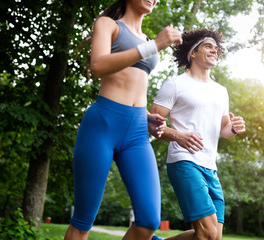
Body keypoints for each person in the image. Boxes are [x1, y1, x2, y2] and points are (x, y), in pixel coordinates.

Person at [64, 0, 182, 239]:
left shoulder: (148, 39)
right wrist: (156, 45)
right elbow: (97, 65)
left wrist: (146, 116)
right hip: (102, 125)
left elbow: (135, 82)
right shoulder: (108, 25)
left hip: (137, 130)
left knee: (149, 220)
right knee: (83, 221)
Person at [149, 28, 246, 240]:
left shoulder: (221, 91)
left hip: (210, 166)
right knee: (208, 232)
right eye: (208, 46)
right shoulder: (175, 85)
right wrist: (178, 136)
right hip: (184, 162)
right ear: (193, 53)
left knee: (215, 236)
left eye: (216, 48)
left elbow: (224, 129)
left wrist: (235, 128)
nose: (215, 50)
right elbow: (152, 123)